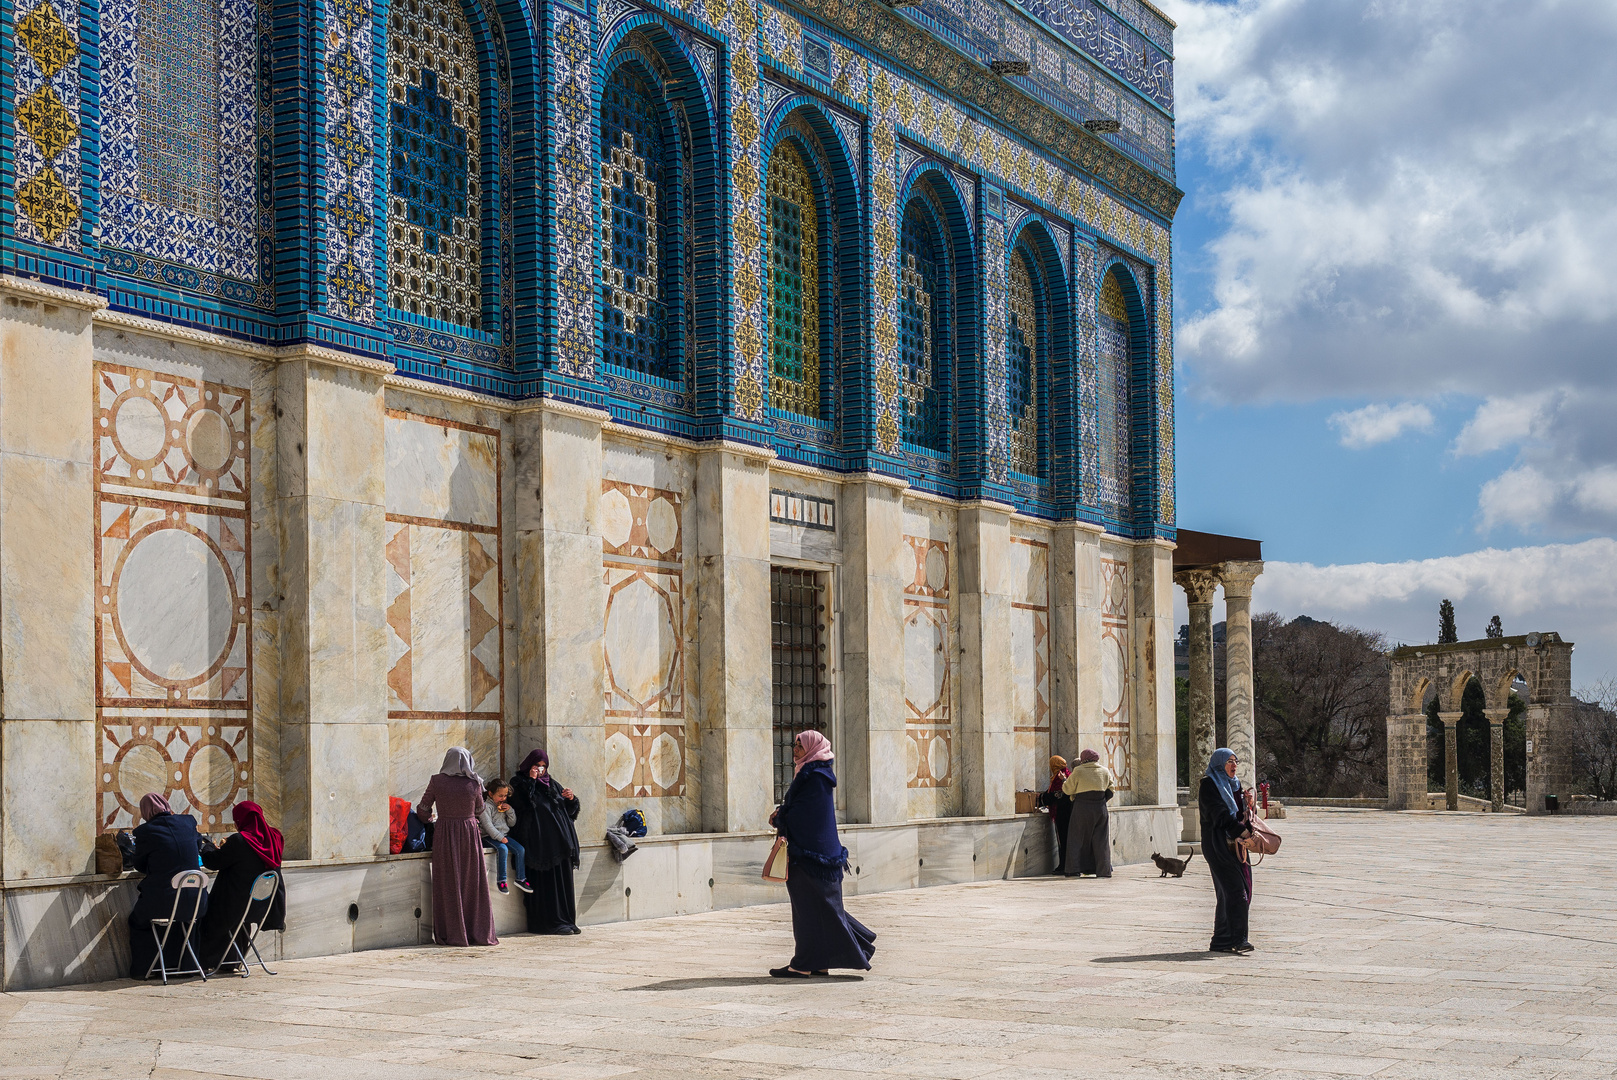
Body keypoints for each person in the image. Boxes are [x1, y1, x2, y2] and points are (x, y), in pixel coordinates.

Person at [768, 731, 876, 977]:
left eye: (800, 745)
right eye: (794, 744)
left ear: (813, 748)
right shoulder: (811, 774)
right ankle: (818, 962)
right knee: (817, 909)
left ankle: (804, 964)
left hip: (811, 856)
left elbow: (807, 814)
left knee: (811, 910)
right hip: (813, 854)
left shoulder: (815, 777)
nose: (794, 748)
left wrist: (781, 816)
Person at [417, 747, 498, 947]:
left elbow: (422, 809)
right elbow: (480, 810)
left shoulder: (437, 781)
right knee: (472, 882)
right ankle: (475, 932)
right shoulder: (474, 783)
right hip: (469, 834)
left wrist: (431, 820)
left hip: (444, 834)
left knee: (448, 883)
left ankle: (452, 933)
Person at [196, 801, 286, 971]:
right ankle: (231, 962)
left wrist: (208, 846)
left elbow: (213, 862)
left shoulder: (240, 841)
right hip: (262, 906)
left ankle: (211, 962)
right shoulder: (275, 837)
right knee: (240, 922)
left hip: (234, 906)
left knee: (207, 912)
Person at [126, 793, 208, 979]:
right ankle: (186, 967)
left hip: (164, 902)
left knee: (138, 920)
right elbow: (196, 846)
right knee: (187, 921)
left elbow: (139, 864)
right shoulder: (188, 822)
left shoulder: (145, 832)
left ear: (145, 812)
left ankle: (144, 970)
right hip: (197, 902)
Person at [507, 748, 581, 935]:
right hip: (539, 846)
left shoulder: (552, 784)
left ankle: (566, 920)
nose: (540, 770)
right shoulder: (518, 782)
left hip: (561, 845)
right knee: (546, 885)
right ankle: (549, 923)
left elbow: (569, 813)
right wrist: (531, 781)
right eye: (536, 765)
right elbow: (521, 805)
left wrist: (571, 799)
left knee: (562, 884)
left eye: (543, 766)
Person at [1199, 747, 1254, 954]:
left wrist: (1247, 805)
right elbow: (1219, 815)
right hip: (1218, 845)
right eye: (1229, 761)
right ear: (1219, 764)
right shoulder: (1209, 785)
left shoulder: (1235, 786)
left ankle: (1221, 940)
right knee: (1235, 891)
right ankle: (1239, 939)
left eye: (1236, 761)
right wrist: (1242, 832)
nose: (1234, 765)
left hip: (1237, 847)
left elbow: (1239, 814)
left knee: (1235, 892)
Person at [1061, 749, 1114, 877]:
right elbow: (1111, 790)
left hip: (1081, 809)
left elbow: (1067, 789)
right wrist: (1100, 801)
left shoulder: (1079, 771)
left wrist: (1064, 782)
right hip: (1100, 809)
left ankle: (1073, 869)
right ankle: (1103, 871)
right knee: (1101, 840)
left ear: (1083, 758)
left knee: (1076, 838)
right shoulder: (1105, 771)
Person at [479, 779, 531, 895]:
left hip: (504, 835)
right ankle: (501, 880)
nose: (503, 798)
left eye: (505, 796)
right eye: (500, 796)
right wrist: (500, 838)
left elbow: (512, 823)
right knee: (502, 849)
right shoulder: (486, 807)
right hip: (488, 837)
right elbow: (488, 826)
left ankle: (520, 878)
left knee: (520, 849)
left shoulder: (503, 806)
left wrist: (510, 811)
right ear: (491, 794)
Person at [1036, 755, 1072, 873]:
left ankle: (1064, 866)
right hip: (1068, 813)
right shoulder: (1066, 774)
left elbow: (1058, 794)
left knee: (1063, 839)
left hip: (1062, 813)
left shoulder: (1060, 777)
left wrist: (1041, 798)